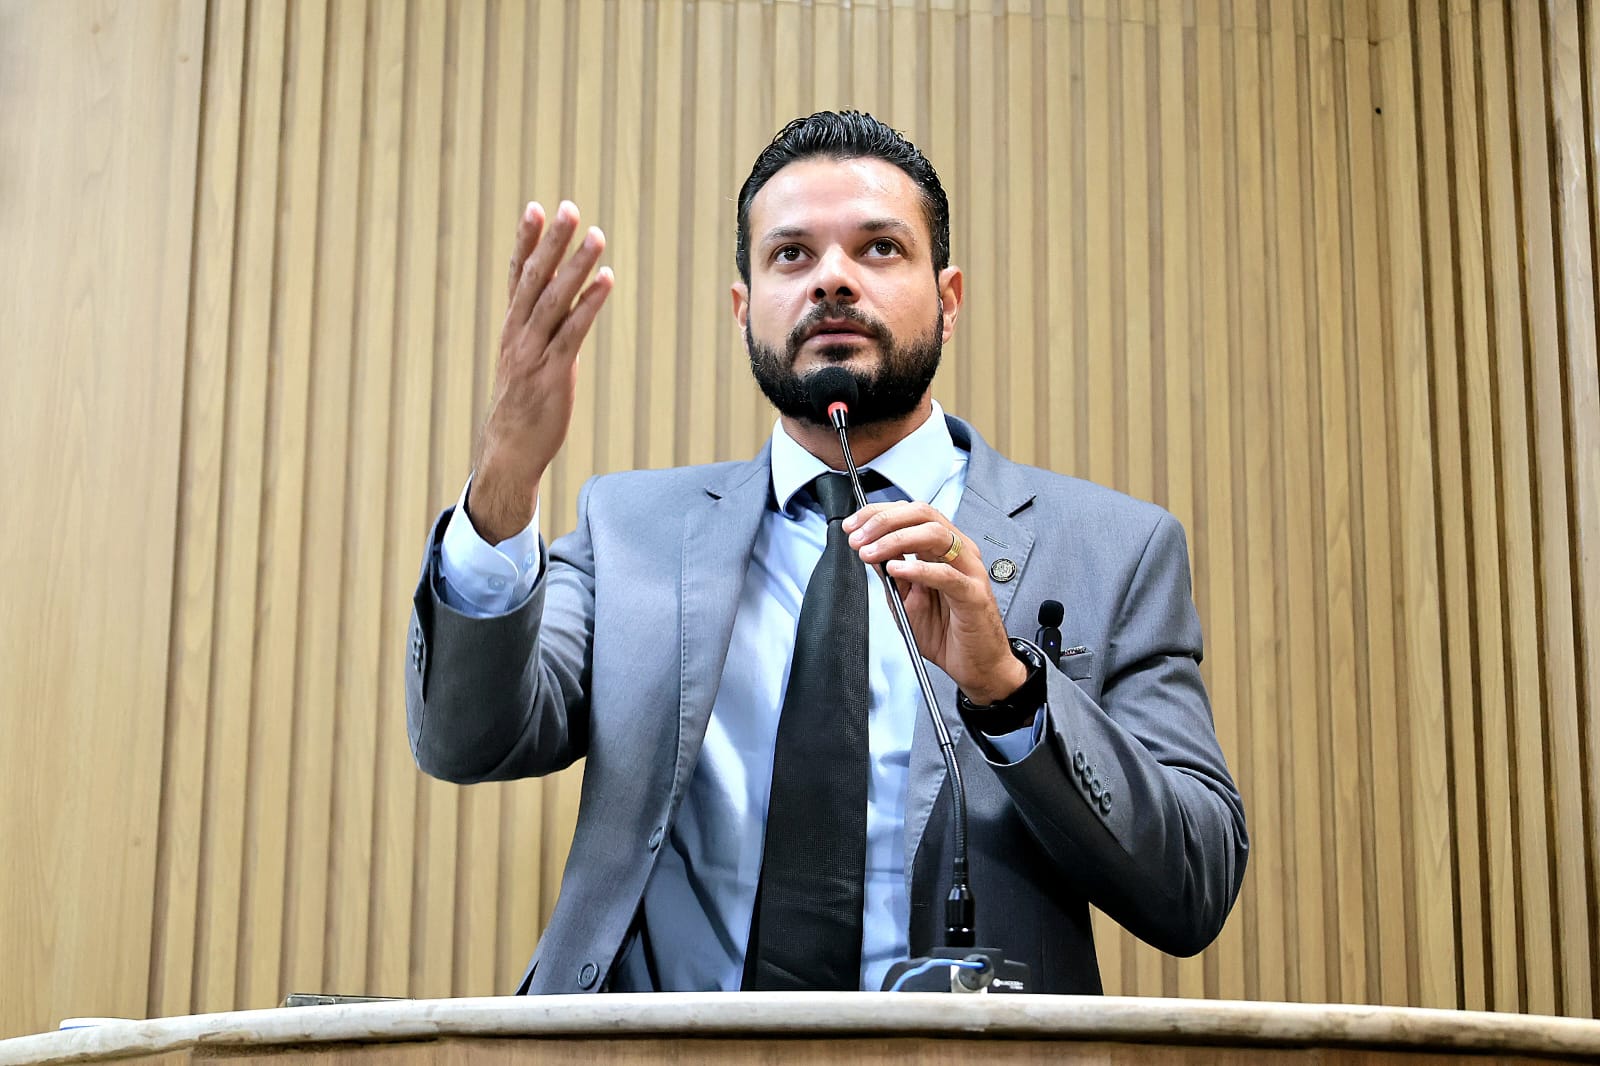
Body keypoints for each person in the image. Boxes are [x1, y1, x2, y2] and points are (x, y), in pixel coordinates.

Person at [405, 110, 1247, 995]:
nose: (833, 280)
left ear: (949, 299)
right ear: (744, 312)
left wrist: (1009, 690)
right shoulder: (631, 529)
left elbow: (1194, 885)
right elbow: (467, 739)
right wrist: (505, 478)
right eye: (791, 254)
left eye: (879, 248)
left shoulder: (1115, 549)